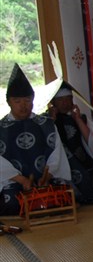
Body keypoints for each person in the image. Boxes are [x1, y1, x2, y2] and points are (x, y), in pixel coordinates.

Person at [1, 64, 71, 216]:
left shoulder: (45, 124)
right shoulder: (1, 128)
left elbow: (56, 154)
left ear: (33, 100)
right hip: (13, 181)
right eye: (17, 101)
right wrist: (22, 180)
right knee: (12, 204)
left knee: (59, 198)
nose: (23, 106)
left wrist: (47, 176)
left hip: (43, 179)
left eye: (27, 100)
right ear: (9, 102)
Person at [47, 83, 93, 204]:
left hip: (83, 161)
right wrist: (52, 121)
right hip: (60, 163)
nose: (65, 103)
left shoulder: (80, 117)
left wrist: (78, 120)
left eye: (68, 99)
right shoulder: (45, 119)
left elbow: (92, 142)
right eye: (60, 100)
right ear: (53, 102)